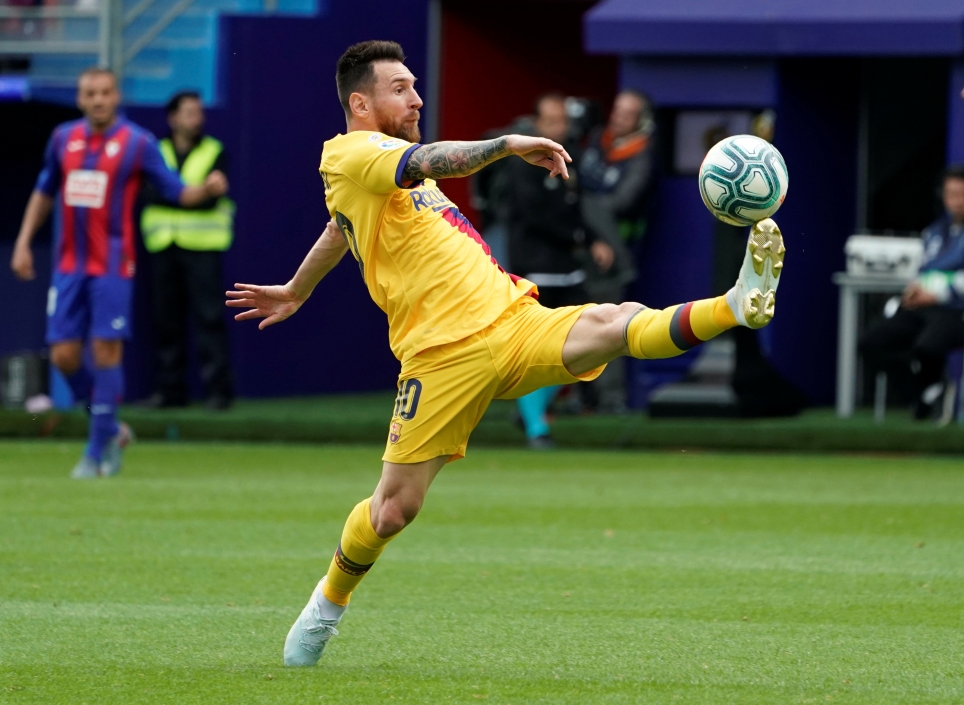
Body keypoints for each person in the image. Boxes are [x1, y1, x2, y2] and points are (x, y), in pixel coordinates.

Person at [225, 40, 785, 667]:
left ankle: (737, 304)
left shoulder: (377, 173)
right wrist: (507, 145)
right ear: (361, 102)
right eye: (400, 88)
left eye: (415, 85)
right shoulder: (353, 151)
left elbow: (340, 225)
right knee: (391, 510)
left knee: (615, 319)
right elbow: (434, 159)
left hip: (510, 319)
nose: (415, 97)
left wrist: (298, 288)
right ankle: (327, 605)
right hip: (440, 356)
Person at [10, 68, 229, 479]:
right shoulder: (63, 139)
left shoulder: (137, 143)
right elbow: (44, 191)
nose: (97, 100)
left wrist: (207, 189)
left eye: (105, 93)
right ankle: (111, 426)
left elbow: (176, 190)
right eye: (89, 93)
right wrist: (24, 242)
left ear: (116, 97)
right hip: (68, 267)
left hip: (112, 265)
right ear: (80, 98)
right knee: (63, 356)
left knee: (106, 353)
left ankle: (95, 453)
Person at [505, 93, 614, 447]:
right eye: (551, 122)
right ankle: (537, 426)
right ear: (537, 124)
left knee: (586, 345)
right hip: (535, 268)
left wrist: (594, 238)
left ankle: (529, 411)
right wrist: (580, 238)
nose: (559, 128)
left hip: (569, 268)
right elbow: (534, 215)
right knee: (537, 350)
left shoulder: (571, 156)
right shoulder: (522, 160)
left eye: (563, 121)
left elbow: (576, 208)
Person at [140, 91, 236, 410]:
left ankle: (218, 393)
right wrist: (196, 194)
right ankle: (170, 392)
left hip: (202, 249)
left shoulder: (214, 151)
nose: (197, 119)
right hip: (163, 246)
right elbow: (152, 194)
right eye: (189, 113)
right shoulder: (155, 150)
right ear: (173, 118)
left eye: (199, 112)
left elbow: (212, 199)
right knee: (166, 321)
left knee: (209, 320)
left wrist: (184, 196)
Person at [860, 166, 964, 420]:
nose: (956, 201)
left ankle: (927, 396)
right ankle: (923, 392)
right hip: (923, 306)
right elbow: (923, 270)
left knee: (926, 346)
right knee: (871, 343)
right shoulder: (934, 232)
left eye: (961, 194)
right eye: (951, 194)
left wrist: (940, 294)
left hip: (956, 310)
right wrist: (914, 290)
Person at [579, 90, 657, 413]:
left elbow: (623, 202)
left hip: (614, 252)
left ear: (640, 120)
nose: (618, 117)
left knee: (609, 327)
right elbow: (575, 184)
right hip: (581, 245)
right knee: (573, 325)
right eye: (617, 109)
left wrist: (598, 228)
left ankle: (611, 399)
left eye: (627, 113)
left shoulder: (642, 155)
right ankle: (582, 399)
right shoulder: (598, 139)